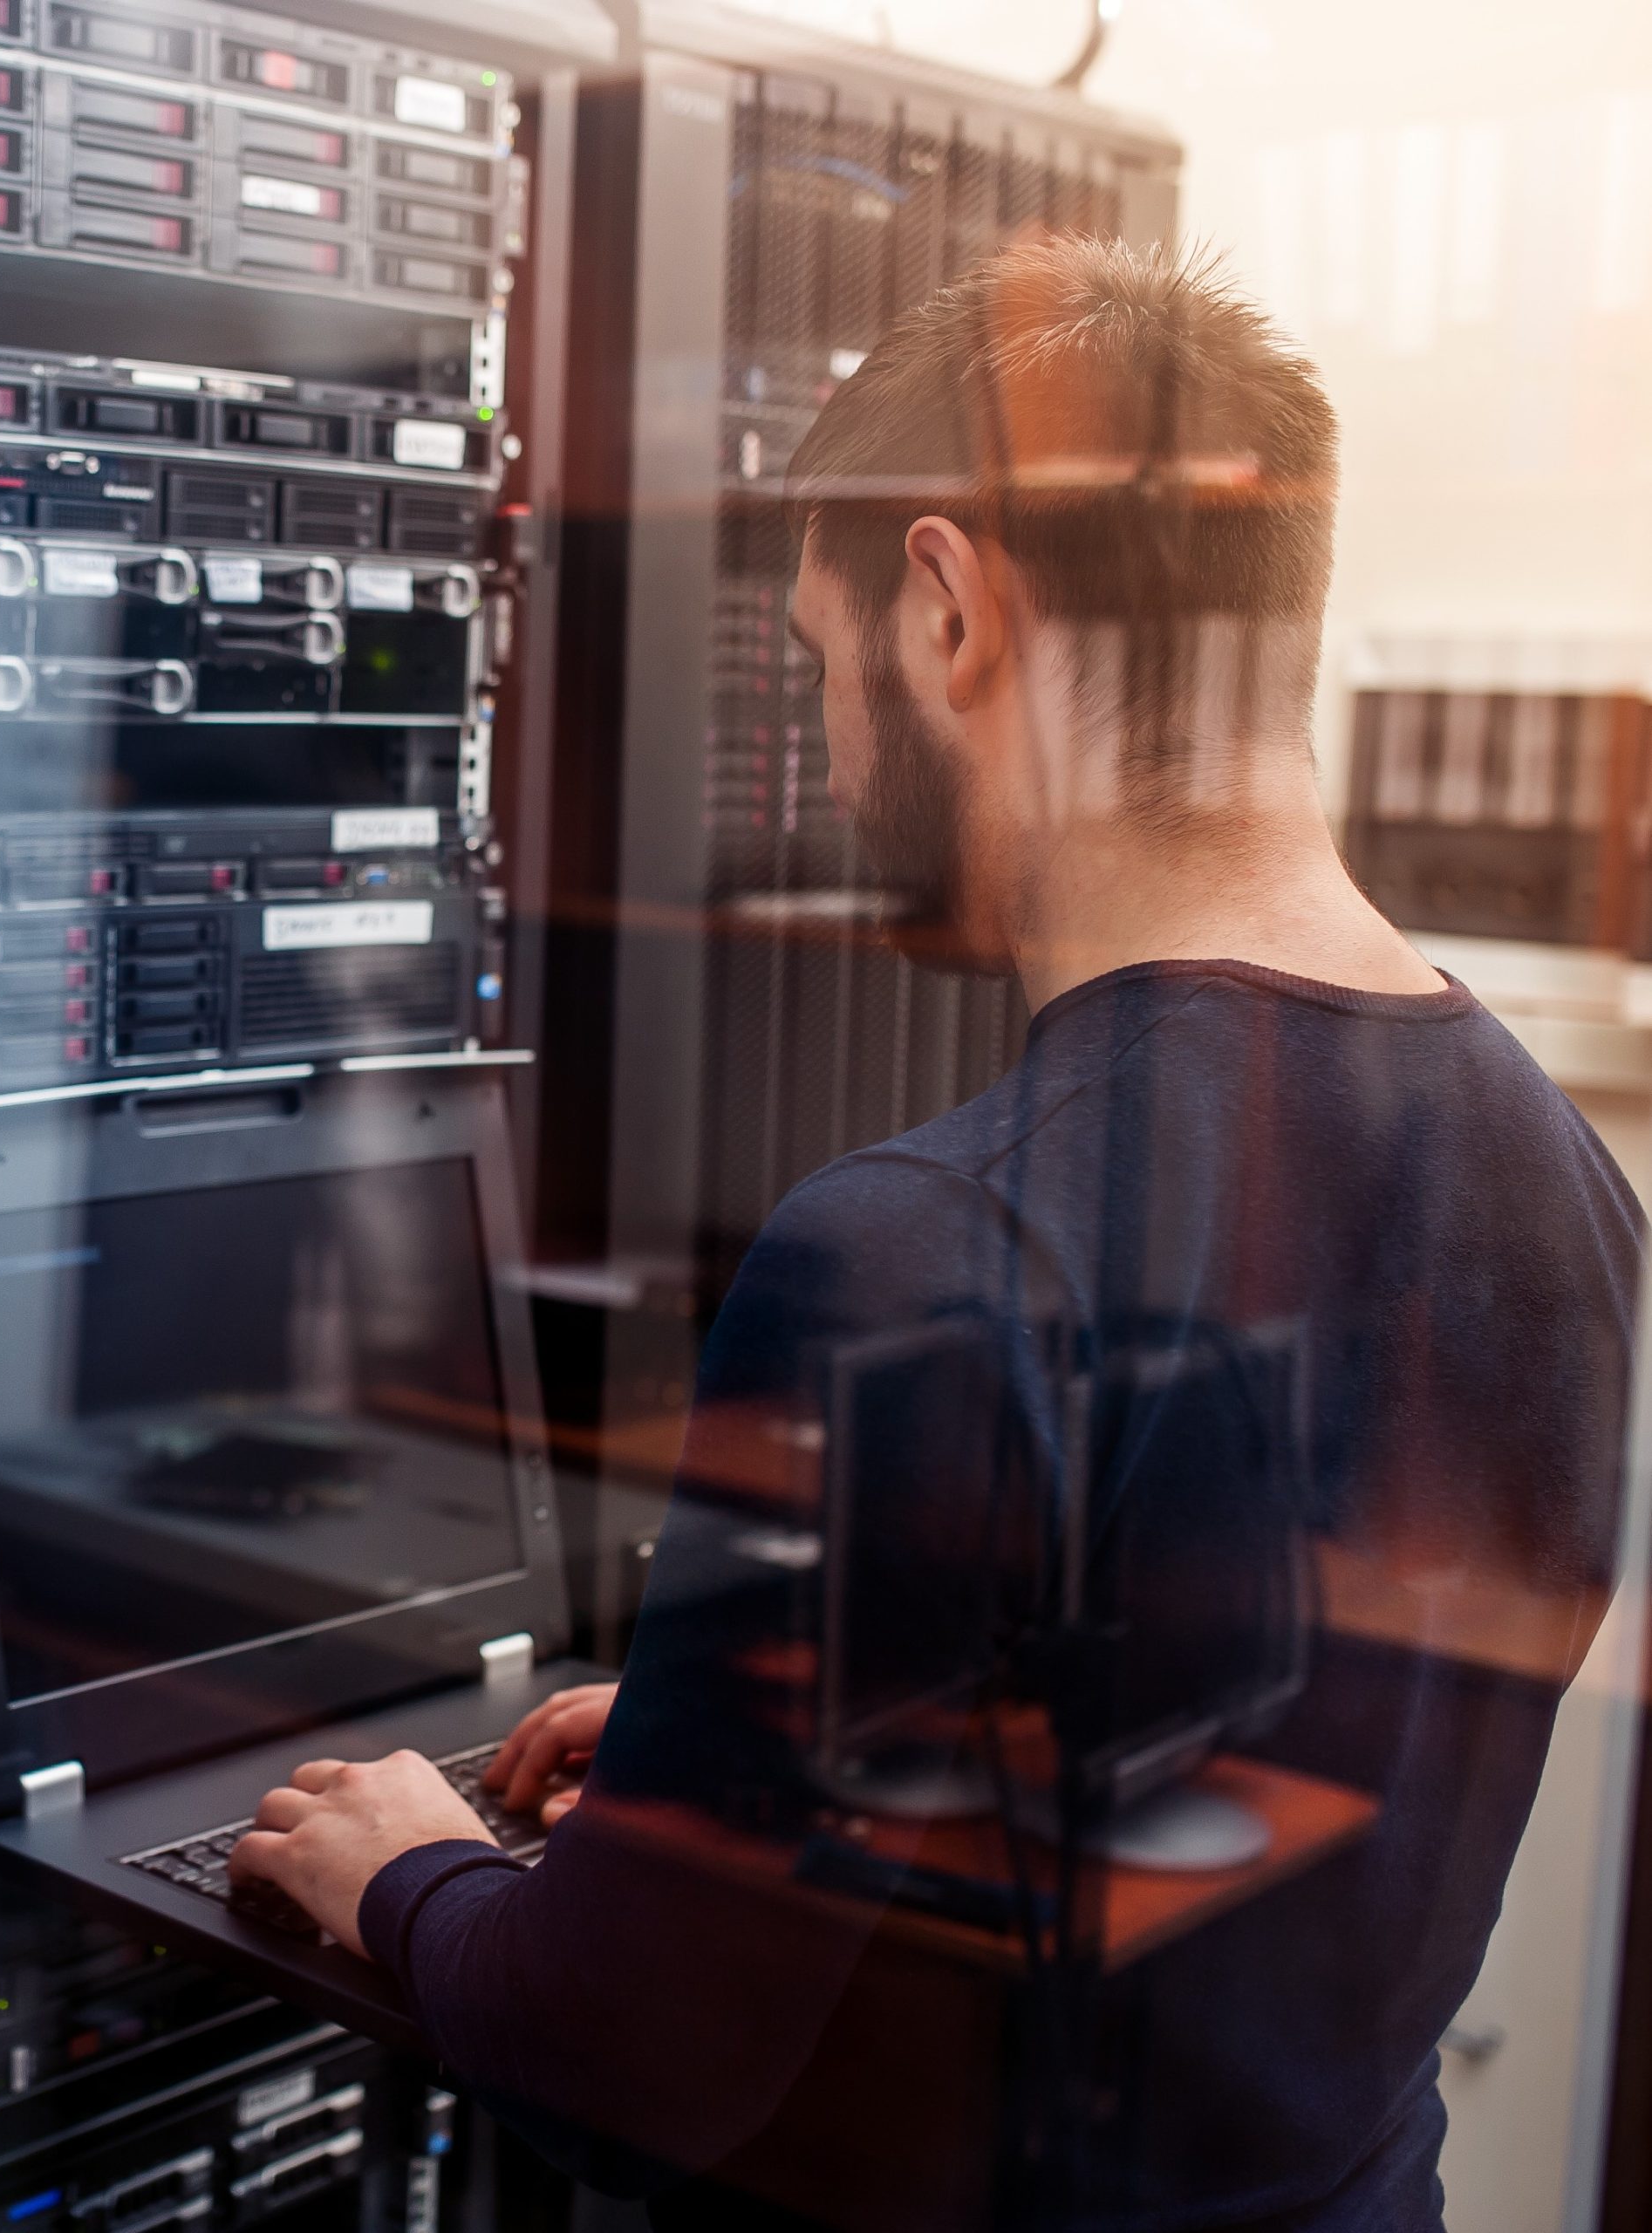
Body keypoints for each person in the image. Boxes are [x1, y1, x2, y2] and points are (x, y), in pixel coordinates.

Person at [229, 236, 1642, 2230]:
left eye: (819, 664)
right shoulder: (1560, 1176)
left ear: (949, 604)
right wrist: (734, 1753)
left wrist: (405, 1861)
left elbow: (638, 2063)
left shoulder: (913, 1249)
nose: (823, 751)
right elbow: (1207, 1753)